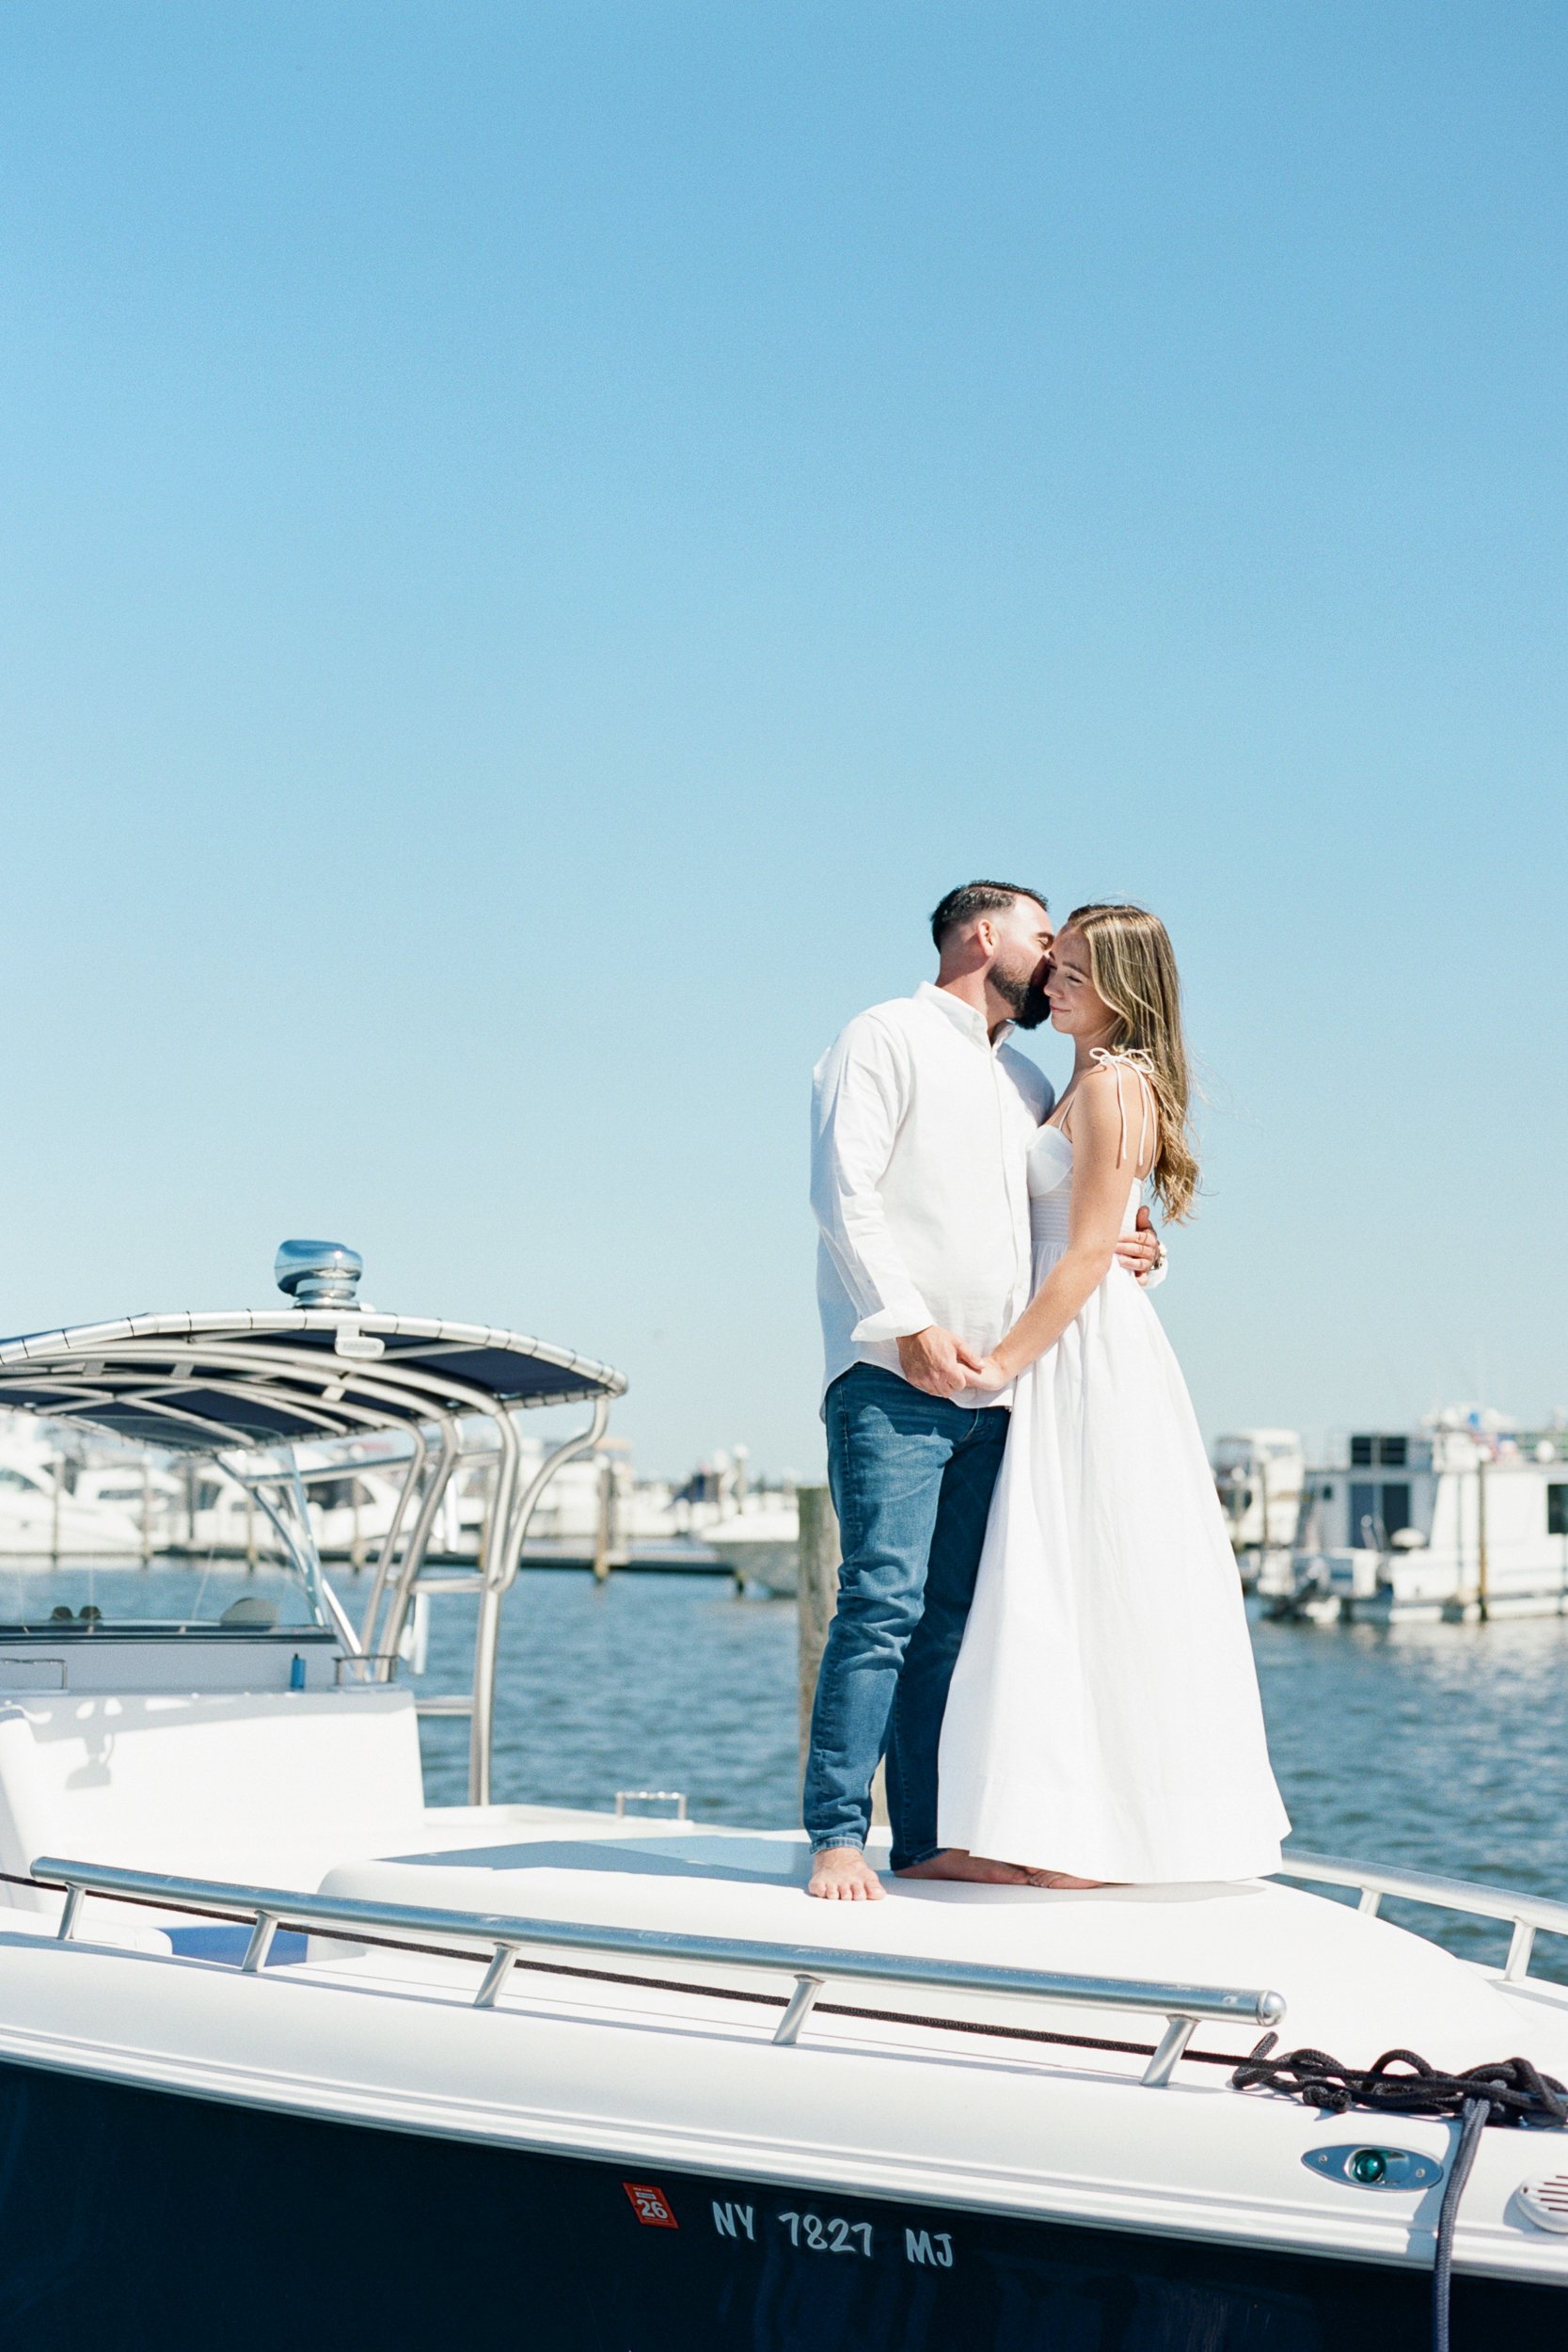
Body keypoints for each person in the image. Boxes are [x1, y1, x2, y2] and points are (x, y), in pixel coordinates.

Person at [803, 882, 1163, 1900]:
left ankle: (922, 1840)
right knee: (879, 1603)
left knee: (951, 1621)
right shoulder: (880, 1036)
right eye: (1041, 937)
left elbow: (1070, 1210)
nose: (1053, 959)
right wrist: (907, 1326)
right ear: (979, 935)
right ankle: (837, 1835)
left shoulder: (1029, 1080)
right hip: (892, 1377)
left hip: (1004, 1392)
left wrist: (1142, 1247)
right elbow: (842, 1193)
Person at [935, 903, 1290, 1884]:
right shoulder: (1076, 1081)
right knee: (1041, 1578)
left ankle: (1077, 1846)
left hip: (1077, 1342)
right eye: (1053, 966)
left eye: (1076, 972)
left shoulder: (1111, 1086)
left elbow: (1091, 1247)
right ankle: (1027, 1830)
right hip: (1074, 1325)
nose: (1053, 984)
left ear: (1126, 988)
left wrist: (1001, 1362)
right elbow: (1101, 1233)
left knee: (1080, 1573)